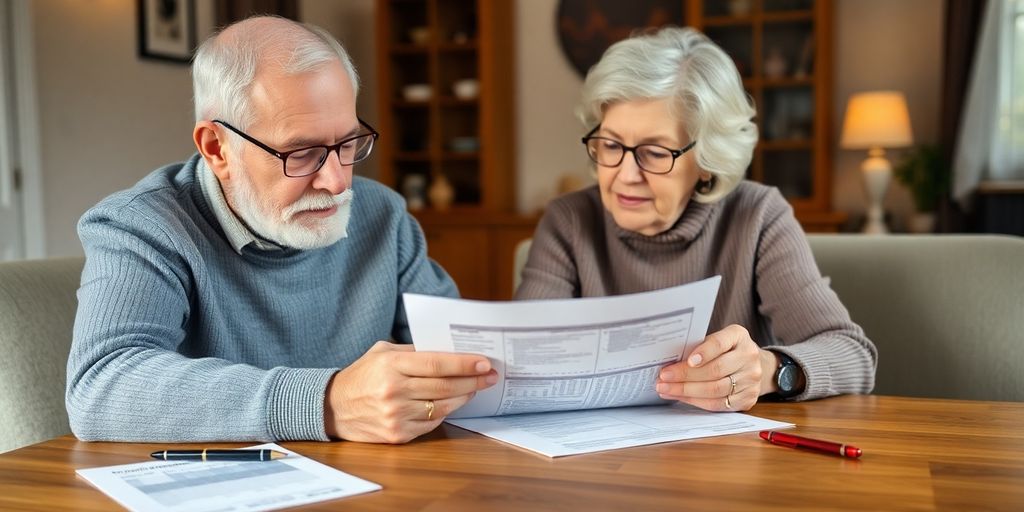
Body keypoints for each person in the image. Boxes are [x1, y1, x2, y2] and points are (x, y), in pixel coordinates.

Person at [66, 16, 497, 444]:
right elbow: (101, 387)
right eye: (303, 153)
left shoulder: (383, 216)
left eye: (348, 145)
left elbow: (458, 353)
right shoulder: (143, 228)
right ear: (217, 148)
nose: (338, 182)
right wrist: (327, 402)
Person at [516, 27, 876, 411]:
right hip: (595, 458)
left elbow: (853, 356)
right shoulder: (568, 221)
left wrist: (768, 369)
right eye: (611, 145)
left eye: (653, 152)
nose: (625, 174)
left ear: (707, 161)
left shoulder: (757, 217)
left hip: (728, 461)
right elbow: (523, 358)